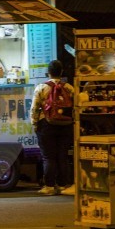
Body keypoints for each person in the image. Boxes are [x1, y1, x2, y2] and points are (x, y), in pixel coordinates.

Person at [29, 60, 74, 196]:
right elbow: (76, 107)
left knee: (48, 157)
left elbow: (34, 108)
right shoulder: (69, 88)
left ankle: (49, 186)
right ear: (61, 72)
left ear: (48, 72)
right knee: (62, 156)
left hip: (46, 125)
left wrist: (35, 124)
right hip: (66, 125)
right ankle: (62, 185)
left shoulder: (41, 88)